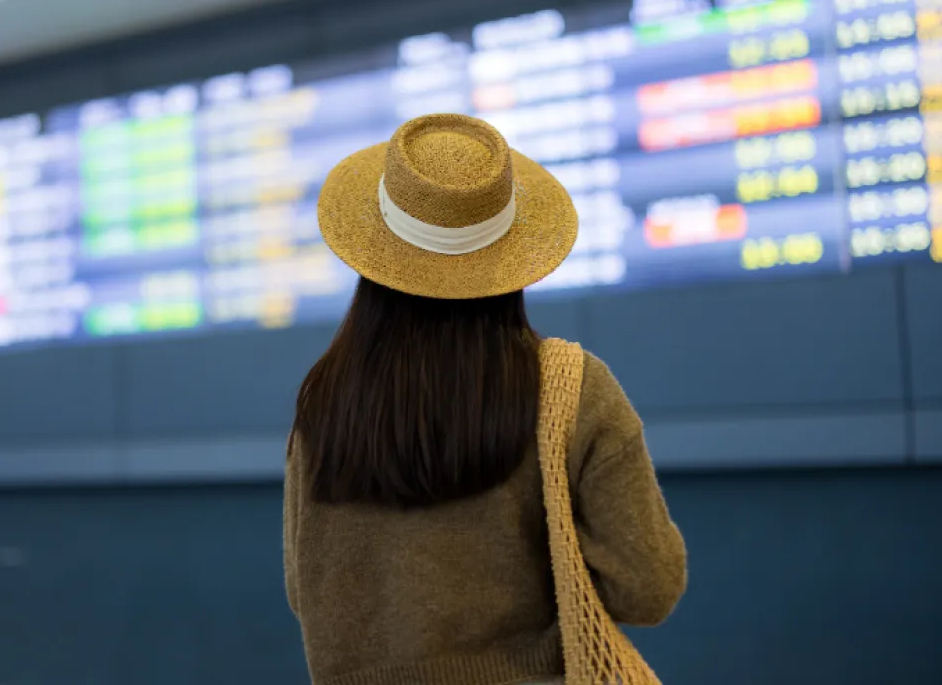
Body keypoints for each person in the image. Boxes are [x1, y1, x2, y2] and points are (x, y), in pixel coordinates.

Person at [283, 113, 687, 685]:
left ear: (374, 251)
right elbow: (649, 585)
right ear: (510, 254)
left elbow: (305, 589)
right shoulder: (571, 388)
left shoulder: (324, 402)